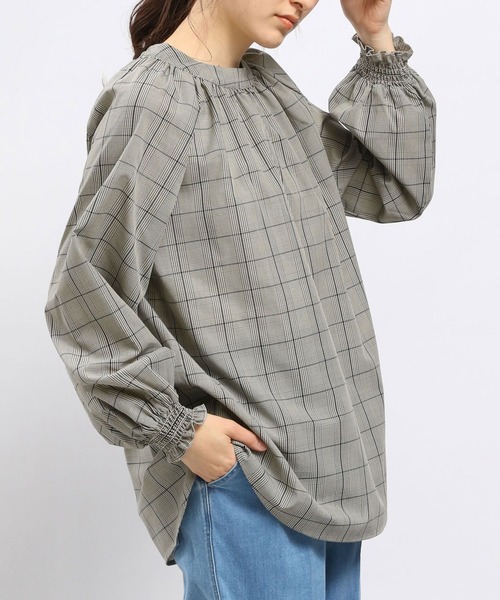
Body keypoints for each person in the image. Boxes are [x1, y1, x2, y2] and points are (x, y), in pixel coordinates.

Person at [45, 0, 436, 598]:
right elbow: (83, 293)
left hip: (329, 464)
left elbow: (389, 185)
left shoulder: (266, 86)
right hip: (247, 476)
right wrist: (176, 429)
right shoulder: (157, 100)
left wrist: (375, 34)